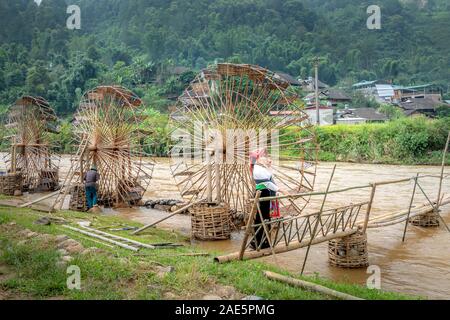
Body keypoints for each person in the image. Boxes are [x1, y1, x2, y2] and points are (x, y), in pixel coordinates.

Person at [249, 149, 281, 249]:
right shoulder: (258, 169)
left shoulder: (260, 168)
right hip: (262, 193)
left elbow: (269, 177)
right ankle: (259, 242)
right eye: (263, 157)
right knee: (262, 218)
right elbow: (268, 183)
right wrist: (282, 190)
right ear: (258, 159)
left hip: (264, 193)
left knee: (265, 217)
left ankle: (263, 241)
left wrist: (268, 165)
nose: (267, 158)